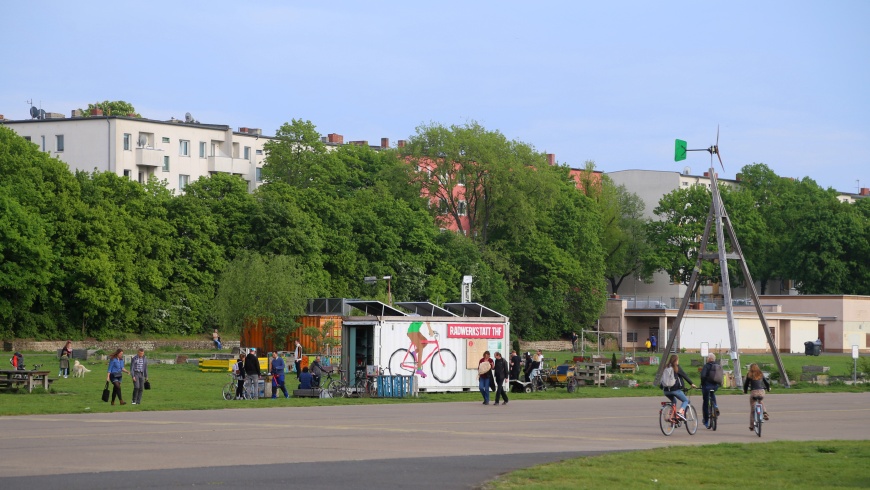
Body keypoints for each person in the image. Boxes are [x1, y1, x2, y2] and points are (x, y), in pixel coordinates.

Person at [661, 354, 696, 420]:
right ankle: (680, 413)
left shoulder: (666, 367)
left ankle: (671, 417)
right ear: (676, 360)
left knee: (674, 401)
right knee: (686, 400)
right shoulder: (676, 367)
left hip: (666, 391)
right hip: (675, 390)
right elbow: (684, 375)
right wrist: (691, 384)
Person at [743, 363, 771, 430]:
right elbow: (766, 382)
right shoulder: (761, 373)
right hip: (761, 391)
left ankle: (752, 426)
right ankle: (765, 412)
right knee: (760, 401)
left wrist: (745, 391)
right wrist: (768, 389)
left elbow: (746, 384)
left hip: (754, 392)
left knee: (752, 409)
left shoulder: (749, 374)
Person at [699, 353, 721, 429]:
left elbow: (702, 376)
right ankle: (715, 406)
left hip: (707, 386)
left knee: (705, 402)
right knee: (712, 394)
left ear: (709, 359)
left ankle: (706, 420)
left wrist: (702, 384)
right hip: (715, 386)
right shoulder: (718, 366)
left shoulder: (706, 366)